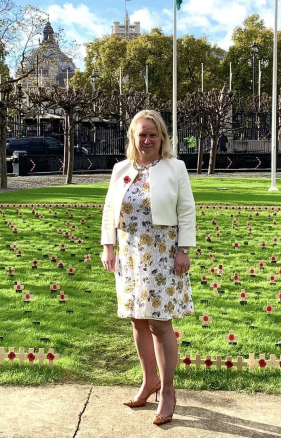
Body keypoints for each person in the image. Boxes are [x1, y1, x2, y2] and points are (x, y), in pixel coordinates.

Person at [101, 109, 196, 426]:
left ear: (162, 137)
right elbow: (109, 210)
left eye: (153, 134)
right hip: (128, 255)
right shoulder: (121, 169)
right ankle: (148, 381)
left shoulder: (175, 168)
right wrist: (108, 246)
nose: (147, 140)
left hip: (162, 253)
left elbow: (186, 210)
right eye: (141, 134)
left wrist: (184, 250)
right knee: (137, 320)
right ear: (132, 136)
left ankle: (167, 391)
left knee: (160, 323)